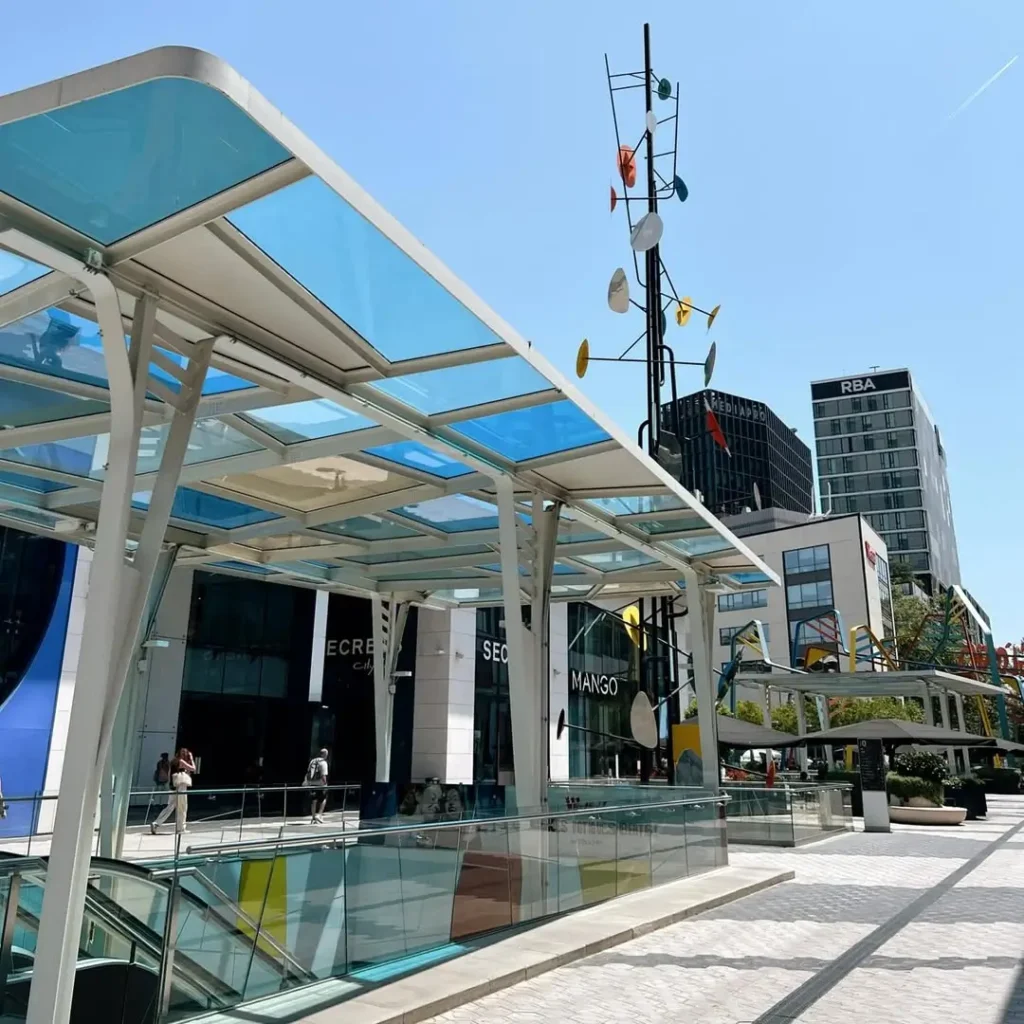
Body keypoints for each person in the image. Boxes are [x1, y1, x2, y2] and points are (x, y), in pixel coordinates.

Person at [151, 747, 196, 834]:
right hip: (181, 786)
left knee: (170, 806)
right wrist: (192, 759)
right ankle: (181, 828)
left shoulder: (173, 761)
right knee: (182, 807)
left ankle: (156, 823)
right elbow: (193, 768)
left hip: (173, 786)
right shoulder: (181, 761)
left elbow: (169, 775)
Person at [304, 749, 329, 824]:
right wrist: (325, 784)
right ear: (325, 754)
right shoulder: (323, 762)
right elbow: (323, 775)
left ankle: (313, 818)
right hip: (320, 784)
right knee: (323, 799)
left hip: (311, 783)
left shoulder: (313, 761)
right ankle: (319, 815)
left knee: (313, 801)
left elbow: (308, 771)